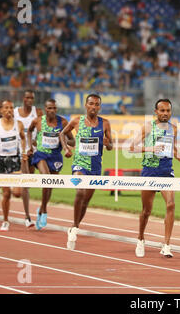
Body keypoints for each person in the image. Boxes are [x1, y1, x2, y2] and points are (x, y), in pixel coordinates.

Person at [129, 99, 180, 258]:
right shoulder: (148, 127)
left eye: (168, 111)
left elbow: (173, 148)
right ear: (156, 112)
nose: (165, 114)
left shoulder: (174, 129)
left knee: (171, 204)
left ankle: (166, 245)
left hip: (166, 171)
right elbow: (131, 148)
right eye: (162, 110)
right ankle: (140, 238)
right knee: (146, 211)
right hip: (149, 172)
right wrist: (150, 148)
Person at [59, 94, 113, 250]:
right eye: (91, 104)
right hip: (79, 164)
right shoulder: (77, 121)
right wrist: (66, 148)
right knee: (80, 192)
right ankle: (74, 228)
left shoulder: (105, 123)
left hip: (95, 167)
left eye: (97, 104)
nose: (94, 107)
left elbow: (110, 147)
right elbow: (62, 134)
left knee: (86, 201)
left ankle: (74, 227)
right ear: (86, 105)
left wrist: (108, 144)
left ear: (99, 107)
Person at [28, 99, 75, 230]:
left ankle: (42, 208)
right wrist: (30, 145)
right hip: (41, 155)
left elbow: (72, 141)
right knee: (46, 179)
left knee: (51, 185)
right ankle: (44, 212)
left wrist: (64, 142)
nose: (52, 111)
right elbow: (29, 131)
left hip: (55, 156)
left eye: (54, 108)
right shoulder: (37, 121)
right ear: (45, 109)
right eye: (49, 108)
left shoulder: (63, 122)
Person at [0, 100, 28, 231]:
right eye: (6, 108)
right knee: (7, 193)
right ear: (1, 110)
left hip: (14, 160)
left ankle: (6, 185)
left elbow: (23, 138)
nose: (9, 110)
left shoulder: (18, 124)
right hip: (1, 160)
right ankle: (5, 221)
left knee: (18, 193)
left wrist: (24, 151)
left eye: (11, 107)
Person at [14, 90, 43, 228]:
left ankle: (42, 210)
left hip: (35, 151)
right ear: (23, 98)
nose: (30, 100)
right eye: (27, 97)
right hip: (21, 152)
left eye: (32, 97)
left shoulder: (37, 112)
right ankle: (27, 217)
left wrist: (38, 142)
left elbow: (44, 128)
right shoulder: (14, 112)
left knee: (32, 181)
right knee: (25, 183)